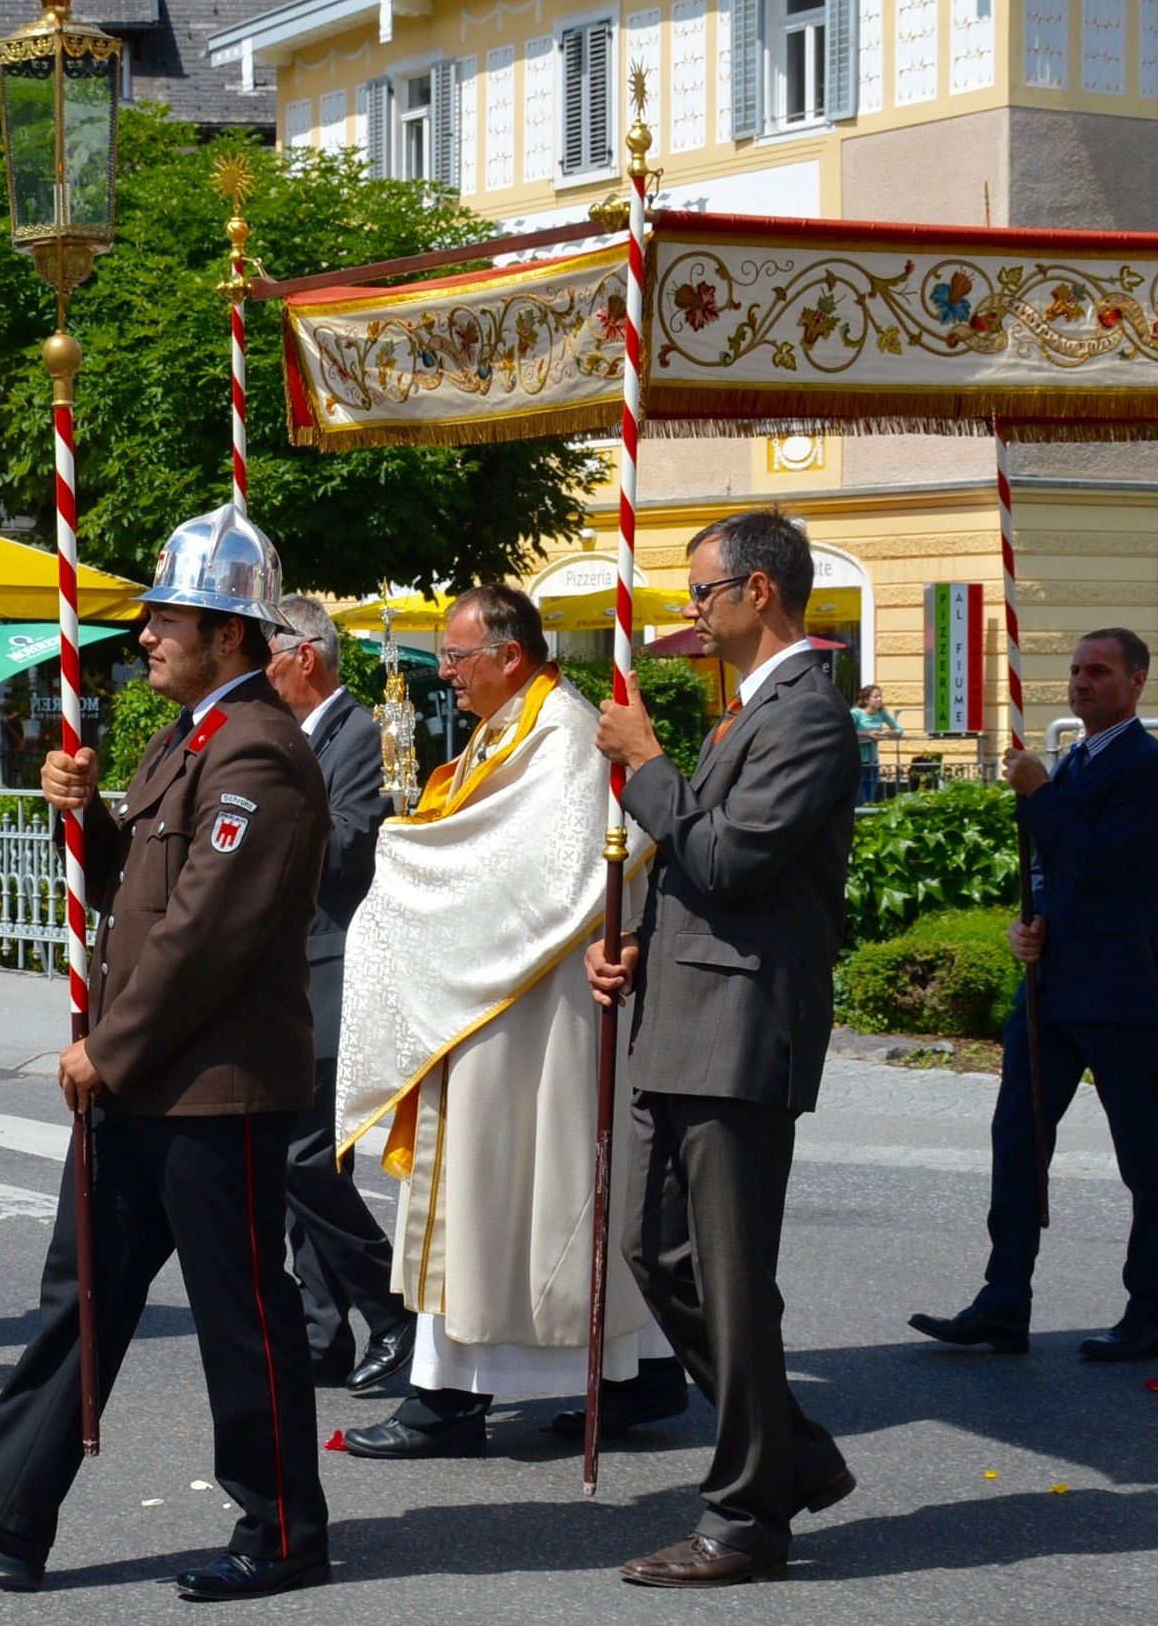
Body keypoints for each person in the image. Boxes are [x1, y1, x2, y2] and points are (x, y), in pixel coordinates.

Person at [0, 505, 333, 1599]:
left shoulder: (260, 753)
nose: (146, 638)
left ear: (232, 634)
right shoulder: (185, 740)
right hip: (146, 1076)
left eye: (167, 619)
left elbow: (204, 933)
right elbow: (140, 889)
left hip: (209, 1084)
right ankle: (5, 1507)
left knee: (238, 1310)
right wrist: (81, 819)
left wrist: (104, 1048)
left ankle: (281, 1526)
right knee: (80, 1291)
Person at [337, 585, 678, 1463]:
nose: (444, 674)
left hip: (530, 990)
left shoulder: (564, 729)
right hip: (494, 981)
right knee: (501, 1185)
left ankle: (448, 1399)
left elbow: (560, 865)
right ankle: (637, 1373)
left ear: (509, 655)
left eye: (455, 658)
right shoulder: (510, 723)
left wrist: (410, 860)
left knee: (496, 1186)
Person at [585, 511, 858, 1588]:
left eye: (701, 592)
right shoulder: (748, 709)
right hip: (685, 1015)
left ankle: (747, 1514)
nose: (690, 612)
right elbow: (695, 856)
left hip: (743, 1027)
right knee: (654, 1249)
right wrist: (641, 939)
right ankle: (788, 1449)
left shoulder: (807, 717)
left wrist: (644, 763)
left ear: (756, 591)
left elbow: (730, 853)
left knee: (732, 1278)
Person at [907, 628, 1158, 1365]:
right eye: (1074, 670)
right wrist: (1026, 923)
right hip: (1050, 985)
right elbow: (1052, 872)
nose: (1080, 682)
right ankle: (1005, 1297)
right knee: (1017, 1140)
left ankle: (1154, 1306)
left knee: (1141, 1154)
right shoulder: (1072, 763)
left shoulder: (1150, 769)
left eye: (1098, 671)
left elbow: (1097, 862)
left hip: (1118, 987)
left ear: (1136, 681)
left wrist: (1036, 793)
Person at [264, 595, 412, 1394]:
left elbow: (356, 839)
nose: (260, 670)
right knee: (301, 1169)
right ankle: (323, 1335)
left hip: (333, 967)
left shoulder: (361, 732)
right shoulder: (289, 736)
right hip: (286, 975)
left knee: (307, 1160)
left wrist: (271, 817)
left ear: (305, 657)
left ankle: (393, 1311)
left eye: (269, 655)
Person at [851, 684, 901, 807]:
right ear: (866, 699)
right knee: (860, 796)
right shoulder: (856, 713)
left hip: (873, 759)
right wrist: (868, 734)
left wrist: (884, 733)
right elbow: (848, 732)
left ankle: (869, 820)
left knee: (871, 795)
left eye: (880, 696)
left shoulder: (881, 713)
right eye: (876, 697)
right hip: (858, 761)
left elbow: (899, 730)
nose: (879, 699)